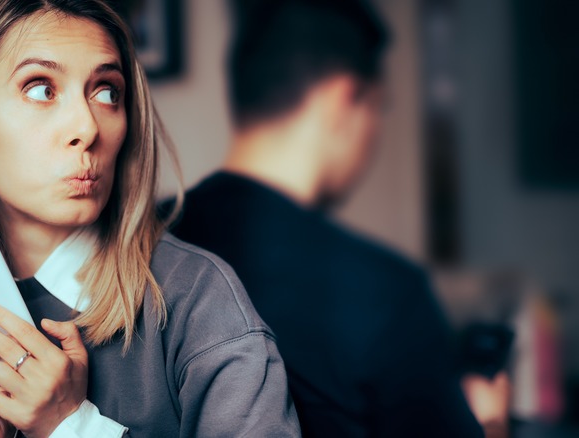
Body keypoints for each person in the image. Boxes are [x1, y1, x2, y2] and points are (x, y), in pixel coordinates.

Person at [0, 1, 301, 436]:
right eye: (41, 89)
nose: (87, 127)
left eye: (107, 92)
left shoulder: (199, 302)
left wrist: (68, 426)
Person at [168, 1, 502, 437]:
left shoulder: (143, 235)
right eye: (378, 107)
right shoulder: (385, 293)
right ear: (344, 98)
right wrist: (489, 423)